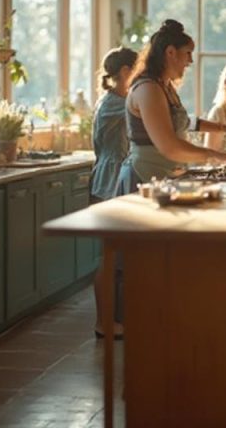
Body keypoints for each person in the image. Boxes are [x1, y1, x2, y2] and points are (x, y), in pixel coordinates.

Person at [116, 19, 226, 193]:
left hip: (162, 176)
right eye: (188, 53)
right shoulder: (148, 89)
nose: (190, 61)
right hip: (142, 177)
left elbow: (185, 122)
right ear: (171, 52)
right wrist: (216, 155)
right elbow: (170, 147)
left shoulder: (165, 87)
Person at [90, 46, 138, 340]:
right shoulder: (113, 103)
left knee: (120, 257)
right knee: (111, 257)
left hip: (116, 179)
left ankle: (117, 318)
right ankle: (103, 322)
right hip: (109, 183)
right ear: (124, 73)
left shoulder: (120, 100)